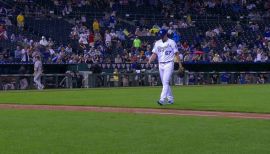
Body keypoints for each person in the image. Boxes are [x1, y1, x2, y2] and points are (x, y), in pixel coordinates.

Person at [147, 29, 183, 105]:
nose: (161, 37)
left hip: (169, 64)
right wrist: (149, 60)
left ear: (166, 34)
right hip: (160, 64)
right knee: (164, 83)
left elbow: (176, 54)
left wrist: (180, 65)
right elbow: (154, 54)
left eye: (162, 35)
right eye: (160, 36)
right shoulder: (157, 43)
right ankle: (171, 99)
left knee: (165, 81)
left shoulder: (171, 42)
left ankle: (162, 99)